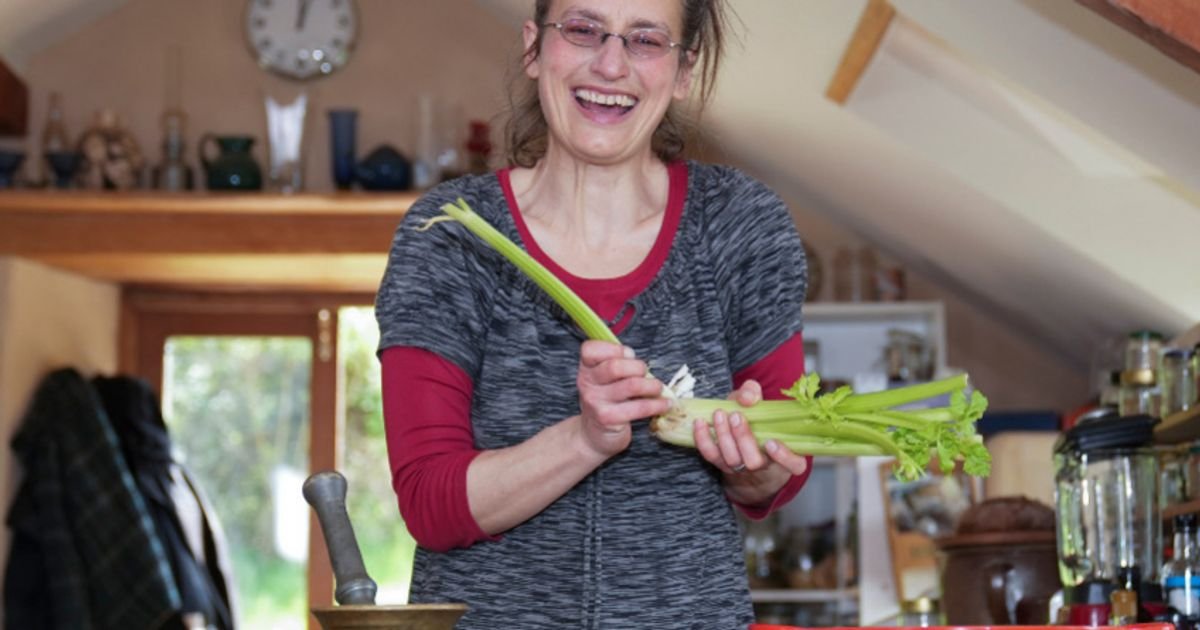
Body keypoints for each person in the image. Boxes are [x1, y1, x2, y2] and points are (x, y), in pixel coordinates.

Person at [375, 0, 812, 627]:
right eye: (583, 30)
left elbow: (778, 474)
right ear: (534, 47)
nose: (610, 64)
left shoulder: (740, 225)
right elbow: (429, 504)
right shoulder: (453, 234)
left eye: (646, 40)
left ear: (684, 70)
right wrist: (583, 439)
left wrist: (755, 468)